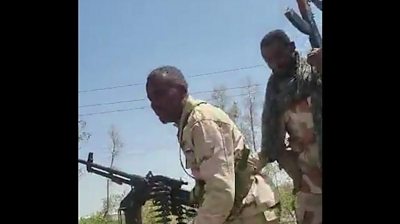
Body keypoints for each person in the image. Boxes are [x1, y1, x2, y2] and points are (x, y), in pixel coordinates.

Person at [146, 66, 280, 224]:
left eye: (159, 94)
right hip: (240, 211)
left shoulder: (202, 121)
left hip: (249, 213)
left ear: (181, 90)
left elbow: (220, 191)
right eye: (150, 99)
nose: (154, 105)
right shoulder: (189, 124)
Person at [259, 30, 322, 224]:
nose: (275, 64)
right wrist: (300, 180)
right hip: (313, 190)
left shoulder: (315, 71)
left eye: (278, 55)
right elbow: (273, 147)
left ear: (292, 48)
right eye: (268, 60)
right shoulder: (275, 95)